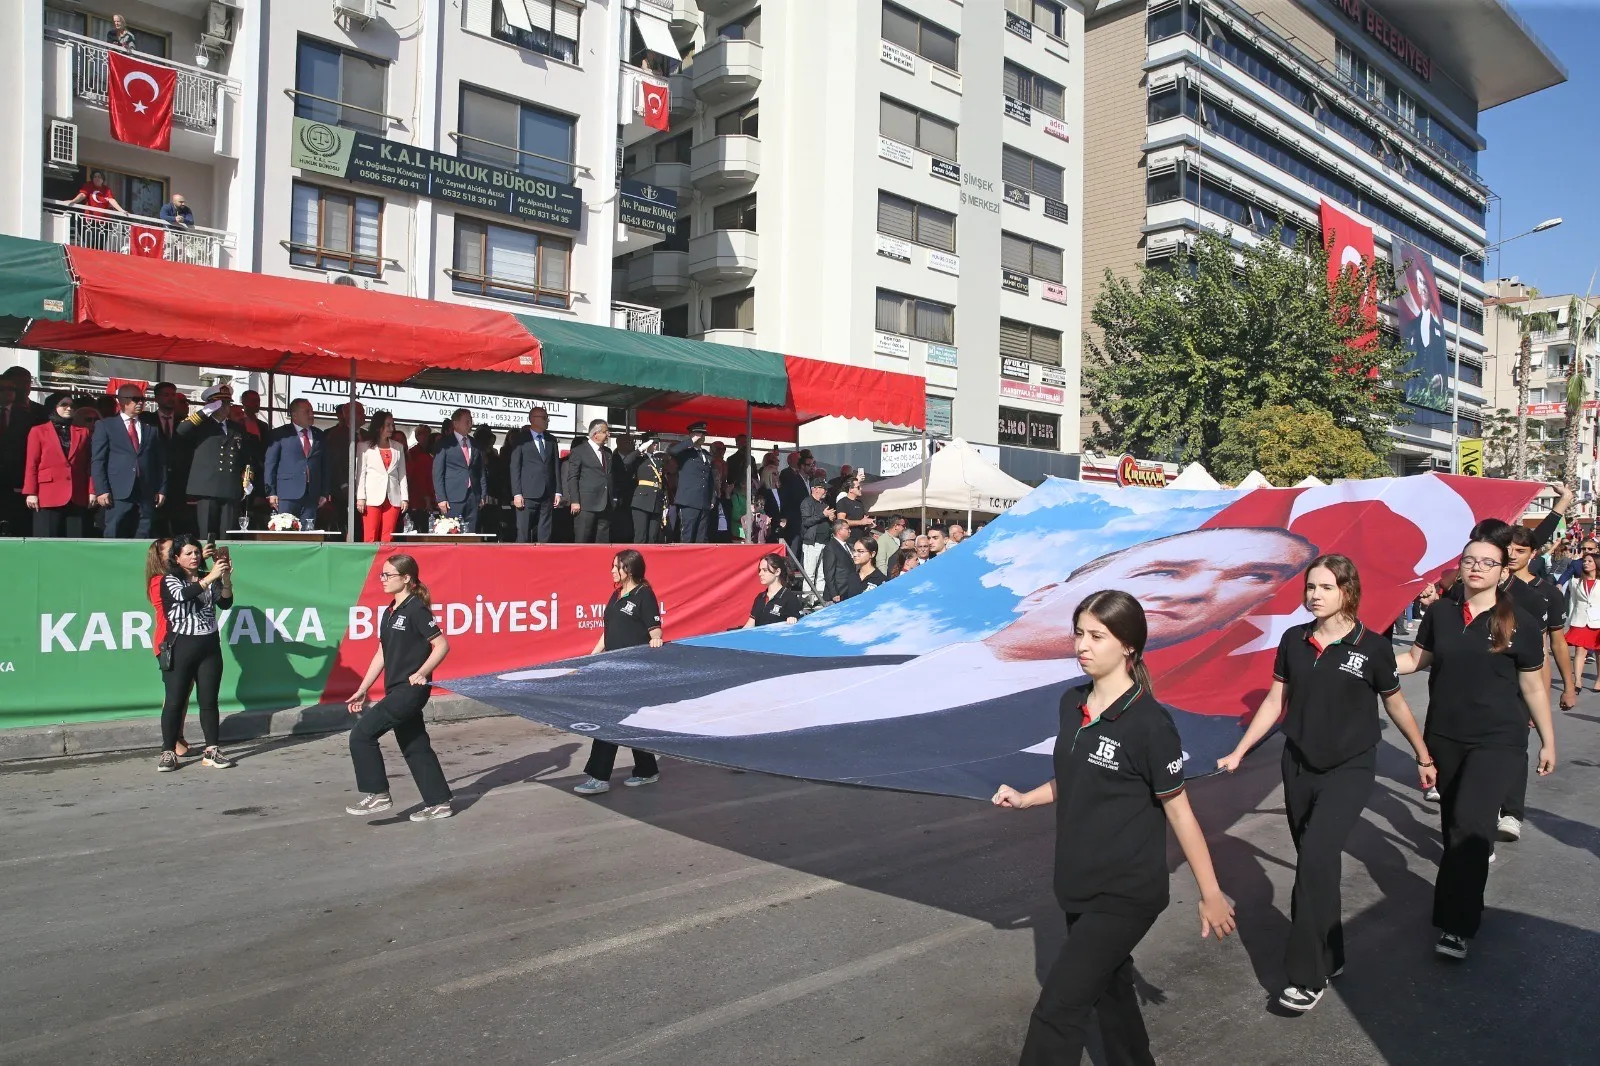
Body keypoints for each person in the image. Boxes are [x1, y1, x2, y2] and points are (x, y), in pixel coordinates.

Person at [992, 590, 1235, 1064]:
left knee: (1058, 1009)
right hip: (1078, 883)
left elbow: (1180, 811)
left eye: (1096, 636)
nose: (1082, 645)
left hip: (1126, 894)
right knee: (1111, 990)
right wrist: (1026, 798)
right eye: (1079, 633)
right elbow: (1075, 776)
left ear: (1128, 646)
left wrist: (1210, 892)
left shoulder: (1149, 723)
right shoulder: (1072, 704)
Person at [1218, 555, 1434, 1011]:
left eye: (1325, 587)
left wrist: (1423, 754)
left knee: (1315, 858)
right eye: (1310, 587)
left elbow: (1395, 705)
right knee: (1317, 863)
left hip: (1350, 769)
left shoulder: (1372, 647)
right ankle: (1331, 952)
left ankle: (1306, 975)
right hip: (1298, 765)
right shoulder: (1293, 641)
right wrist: (1241, 750)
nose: (1314, 595)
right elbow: (1277, 699)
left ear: (1347, 591)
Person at [1396, 537, 1555, 960]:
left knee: (1469, 827)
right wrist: (1363, 657)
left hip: (1498, 740)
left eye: (1488, 562)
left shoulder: (1520, 621)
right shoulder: (1441, 613)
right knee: (1454, 828)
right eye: (1469, 560)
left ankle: (1456, 925)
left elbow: (1533, 687)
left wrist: (1547, 741)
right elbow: (1414, 660)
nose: (1477, 568)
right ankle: (1466, 897)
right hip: (1445, 737)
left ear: (1503, 571)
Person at [344, 554, 454, 820]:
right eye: (381, 574)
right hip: (396, 689)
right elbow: (381, 652)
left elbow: (442, 645)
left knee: (361, 735)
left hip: (410, 691)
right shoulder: (390, 610)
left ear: (406, 579)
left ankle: (378, 794)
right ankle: (439, 802)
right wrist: (363, 688)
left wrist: (422, 672)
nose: (382, 580)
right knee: (415, 745)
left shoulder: (416, 609)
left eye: (388, 575)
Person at [1499, 525, 1574, 845]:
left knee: (1515, 748)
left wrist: (1568, 685)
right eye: (1509, 549)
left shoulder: (1546, 594)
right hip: (1486, 679)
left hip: (1526, 681)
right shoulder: (1486, 584)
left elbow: (1554, 644)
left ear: (1534, 554)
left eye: (1520, 550)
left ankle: (1511, 812)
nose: (1512, 555)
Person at [573, 550, 665, 795]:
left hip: (634, 671)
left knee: (608, 721)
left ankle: (599, 777)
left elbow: (655, 629)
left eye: (617, 567)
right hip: (612, 668)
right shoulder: (616, 595)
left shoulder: (644, 595)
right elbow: (608, 631)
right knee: (631, 723)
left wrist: (656, 639)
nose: (612, 571)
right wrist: (592, 656)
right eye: (612, 566)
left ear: (630, 569)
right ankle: (647, 770)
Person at [156, 535, 235, 772]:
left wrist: (226, 580)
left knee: (209, 701)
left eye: (196, 553)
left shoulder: (207, 577)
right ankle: (168, 751)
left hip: (209, 646)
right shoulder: (170, 579)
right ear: (177, 558)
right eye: (188, 553)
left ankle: (212, 749)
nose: (194, 557)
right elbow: (183, 596)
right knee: (175, 701)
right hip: (181, 645)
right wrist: (211, 577)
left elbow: (225, 603)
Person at [176, 384, 251, 541]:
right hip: (207, 488)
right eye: (220, 404)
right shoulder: (201, 425)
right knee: (207, 533)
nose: (225, 408)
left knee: (228, 534)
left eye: (227, 404)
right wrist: (205, 411)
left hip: (230, 487)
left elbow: (245, 457)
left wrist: (247, 479)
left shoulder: (236, 428)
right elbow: (181, 430)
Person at [91, 384, 166, 539]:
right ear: (123, 401)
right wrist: (101, 489)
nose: (140, 403)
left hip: (145, 489)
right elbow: (98, 460)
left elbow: (160, 462)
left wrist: (162, 489)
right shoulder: (106, 425)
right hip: (118, 490)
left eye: (143, 399)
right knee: (115, 529)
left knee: (144, 531)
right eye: (136, 399)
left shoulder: (150, 427)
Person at [23, 391, 93, 537]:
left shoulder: (83, 432)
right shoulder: (38, 431)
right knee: (47, 542)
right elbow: (32, 463)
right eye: (64, 405)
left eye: (71, 405)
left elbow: (89, 464)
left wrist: (92, 490)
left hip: (77, 494)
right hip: (47, 494)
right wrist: (31, 492)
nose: (69, 408)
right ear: (53, 407)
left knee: (75, 543)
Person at [144, 537, 189, 755]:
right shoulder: (159, 581)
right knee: (174, 695)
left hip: (185, 639)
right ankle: (170, 742)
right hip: (168, 642)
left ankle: (178, 735)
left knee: (184, 692)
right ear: (160, 557)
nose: (177, 552)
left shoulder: (178, 576)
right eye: (172, 550)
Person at [264, 398, 329, 527]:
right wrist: (271, 492)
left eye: (312, 411)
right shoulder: (281, 434)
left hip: (312, 494)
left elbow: (326, 465)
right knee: (285, 531)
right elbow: (270, 464)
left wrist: (324, 492)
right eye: (307, 411)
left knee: (308, 534)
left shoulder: (319, 435)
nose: (311, 415)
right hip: (287, 494)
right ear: (294, 414)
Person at [508, 406, 562, 543]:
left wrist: (558, 491)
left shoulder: (551, 440)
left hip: (547, 492)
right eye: (544, 418)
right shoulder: (521, 439)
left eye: (547, 417)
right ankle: (522, 559)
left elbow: (555, 466)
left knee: (545, 529)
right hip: (527, 493)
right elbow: (515, 467)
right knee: (524, 529)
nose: (547, 420)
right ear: (532, 419)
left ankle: (543, 558)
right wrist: (517, 493)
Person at [356, 410, 408, 543]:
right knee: (370, 535)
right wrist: (360, 497)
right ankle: (370, 563)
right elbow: (360, 473)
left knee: (388, 536)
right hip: (372, 496)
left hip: (393, 496)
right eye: (388, 425)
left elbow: (402, 474)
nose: (392, 428)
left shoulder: (398, 447)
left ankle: (386, 562)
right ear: (379, 427)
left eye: (392, 425)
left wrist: (405, 498)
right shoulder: (364, 446)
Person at [432, 408, 485, 533]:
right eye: (467, 421)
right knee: (453, 532)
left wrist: (482, 494)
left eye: (471, 421)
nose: (470, 424)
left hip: (473, 495)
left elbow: (480, 471)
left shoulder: (475, 444)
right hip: (452, 497)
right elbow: (438, 473)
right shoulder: (445, 444)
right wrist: (441, 498)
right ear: (455, 423)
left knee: (471, 532)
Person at [564, 418, 613, 543]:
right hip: (586, 504)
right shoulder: (579, 451)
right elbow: (573, 477)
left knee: (602, 541)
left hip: (605, 503)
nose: (608, 434)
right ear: (595, 434)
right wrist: (575, 500)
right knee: (583, 538)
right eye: (605, 431)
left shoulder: (607, 452)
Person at [670, 422, 716, 543]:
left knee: (701, 536)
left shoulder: (707, 455)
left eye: (703, 434)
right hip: (688, 500)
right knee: (687, 535)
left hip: (704, 501)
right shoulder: (685, 453)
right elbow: (672, 451)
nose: (701, 436)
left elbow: (710, 479)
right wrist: (691, 440)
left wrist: (712, 499)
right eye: (698, 434)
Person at [1566, 550, 1600, 692]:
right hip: (1580, 620)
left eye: (1589, 561)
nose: (1585, 563)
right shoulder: (1575, 582)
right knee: (1580, 651)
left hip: (1597, 621)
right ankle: (1578, 680)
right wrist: (1570, 619)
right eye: (1584, 561)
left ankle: (1599, 680)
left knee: (1599, 653)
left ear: (1596, 564)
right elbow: (1572, 601)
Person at [621, 438, 666, 544]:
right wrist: (640, 449)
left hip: (656, 501)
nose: (654, 445)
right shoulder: (639, 459)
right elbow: (626, 461)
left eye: (655, 443)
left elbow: (662, 482)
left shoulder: (658, 460)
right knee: (640, 536)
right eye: (652, 443)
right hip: (642, 500)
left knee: (653, 537)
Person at [799, 478, 835, 603]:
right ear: (815, 489)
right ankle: (807, 600)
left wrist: (831, 518)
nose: (826, 491)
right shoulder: (807, 502)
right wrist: (823, 515)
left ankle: (818, 599)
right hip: (812, 542)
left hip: (825, 542)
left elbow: (827, 520)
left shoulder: (824, 504)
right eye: (823, 488)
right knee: (810, 572)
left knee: (822, 573)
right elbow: (806, 522)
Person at [745, 552, 803, 627]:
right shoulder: (760, 597)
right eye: (760, 570)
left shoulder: (789, 598)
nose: (760, 574)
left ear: (777, 572)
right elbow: (750, 625)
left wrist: (793, 620)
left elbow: (800, 626)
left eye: (765, 570)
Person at [821, 518, 861, 603]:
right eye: (847, 529)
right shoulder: (830, 547)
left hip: (849, 590)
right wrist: (834, 593)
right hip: (839, 592)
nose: (850, 531)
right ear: (839, 531)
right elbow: (828, 572)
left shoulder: (849, 546)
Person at [836, 477, 872, 543]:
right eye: (858, 487)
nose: (861, 489)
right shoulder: (842, 502)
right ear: (851, 489)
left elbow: (862, 521)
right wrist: (860, 522)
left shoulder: (860, 503)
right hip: (849, 540)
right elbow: (841, 521)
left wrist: (868, 523)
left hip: (860, 540)